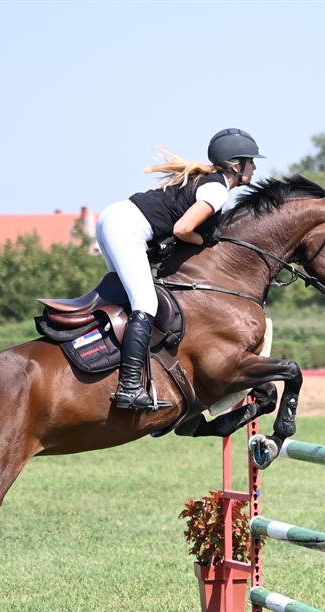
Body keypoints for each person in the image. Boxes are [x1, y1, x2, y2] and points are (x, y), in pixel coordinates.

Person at [96, 128, 262, 410]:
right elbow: (183, 229)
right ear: (236, 165)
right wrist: (203, 239)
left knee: (128, 301)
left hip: (114, 219)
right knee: (145, 303)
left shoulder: (208, 181)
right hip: (126, 227)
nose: (254, 167)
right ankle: (129, 388)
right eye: (251, 161)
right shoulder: (218, 189)